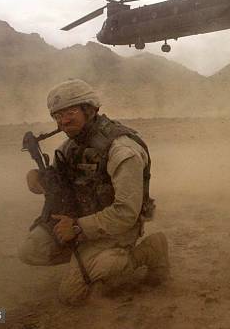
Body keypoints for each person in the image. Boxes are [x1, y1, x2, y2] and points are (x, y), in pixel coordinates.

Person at [18, 79, 169, 305]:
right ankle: (90, 259)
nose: (63, 120)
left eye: (70, 112)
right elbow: (59, 181)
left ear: (89, 109)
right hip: (82, 221)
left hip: (117, 227)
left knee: (71, 295)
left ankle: (148, 251)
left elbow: (126, 213)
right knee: (31, 250)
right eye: (58, 116)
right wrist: (37, 178)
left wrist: (78, 227)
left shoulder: (121, 150)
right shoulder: (71, 146)